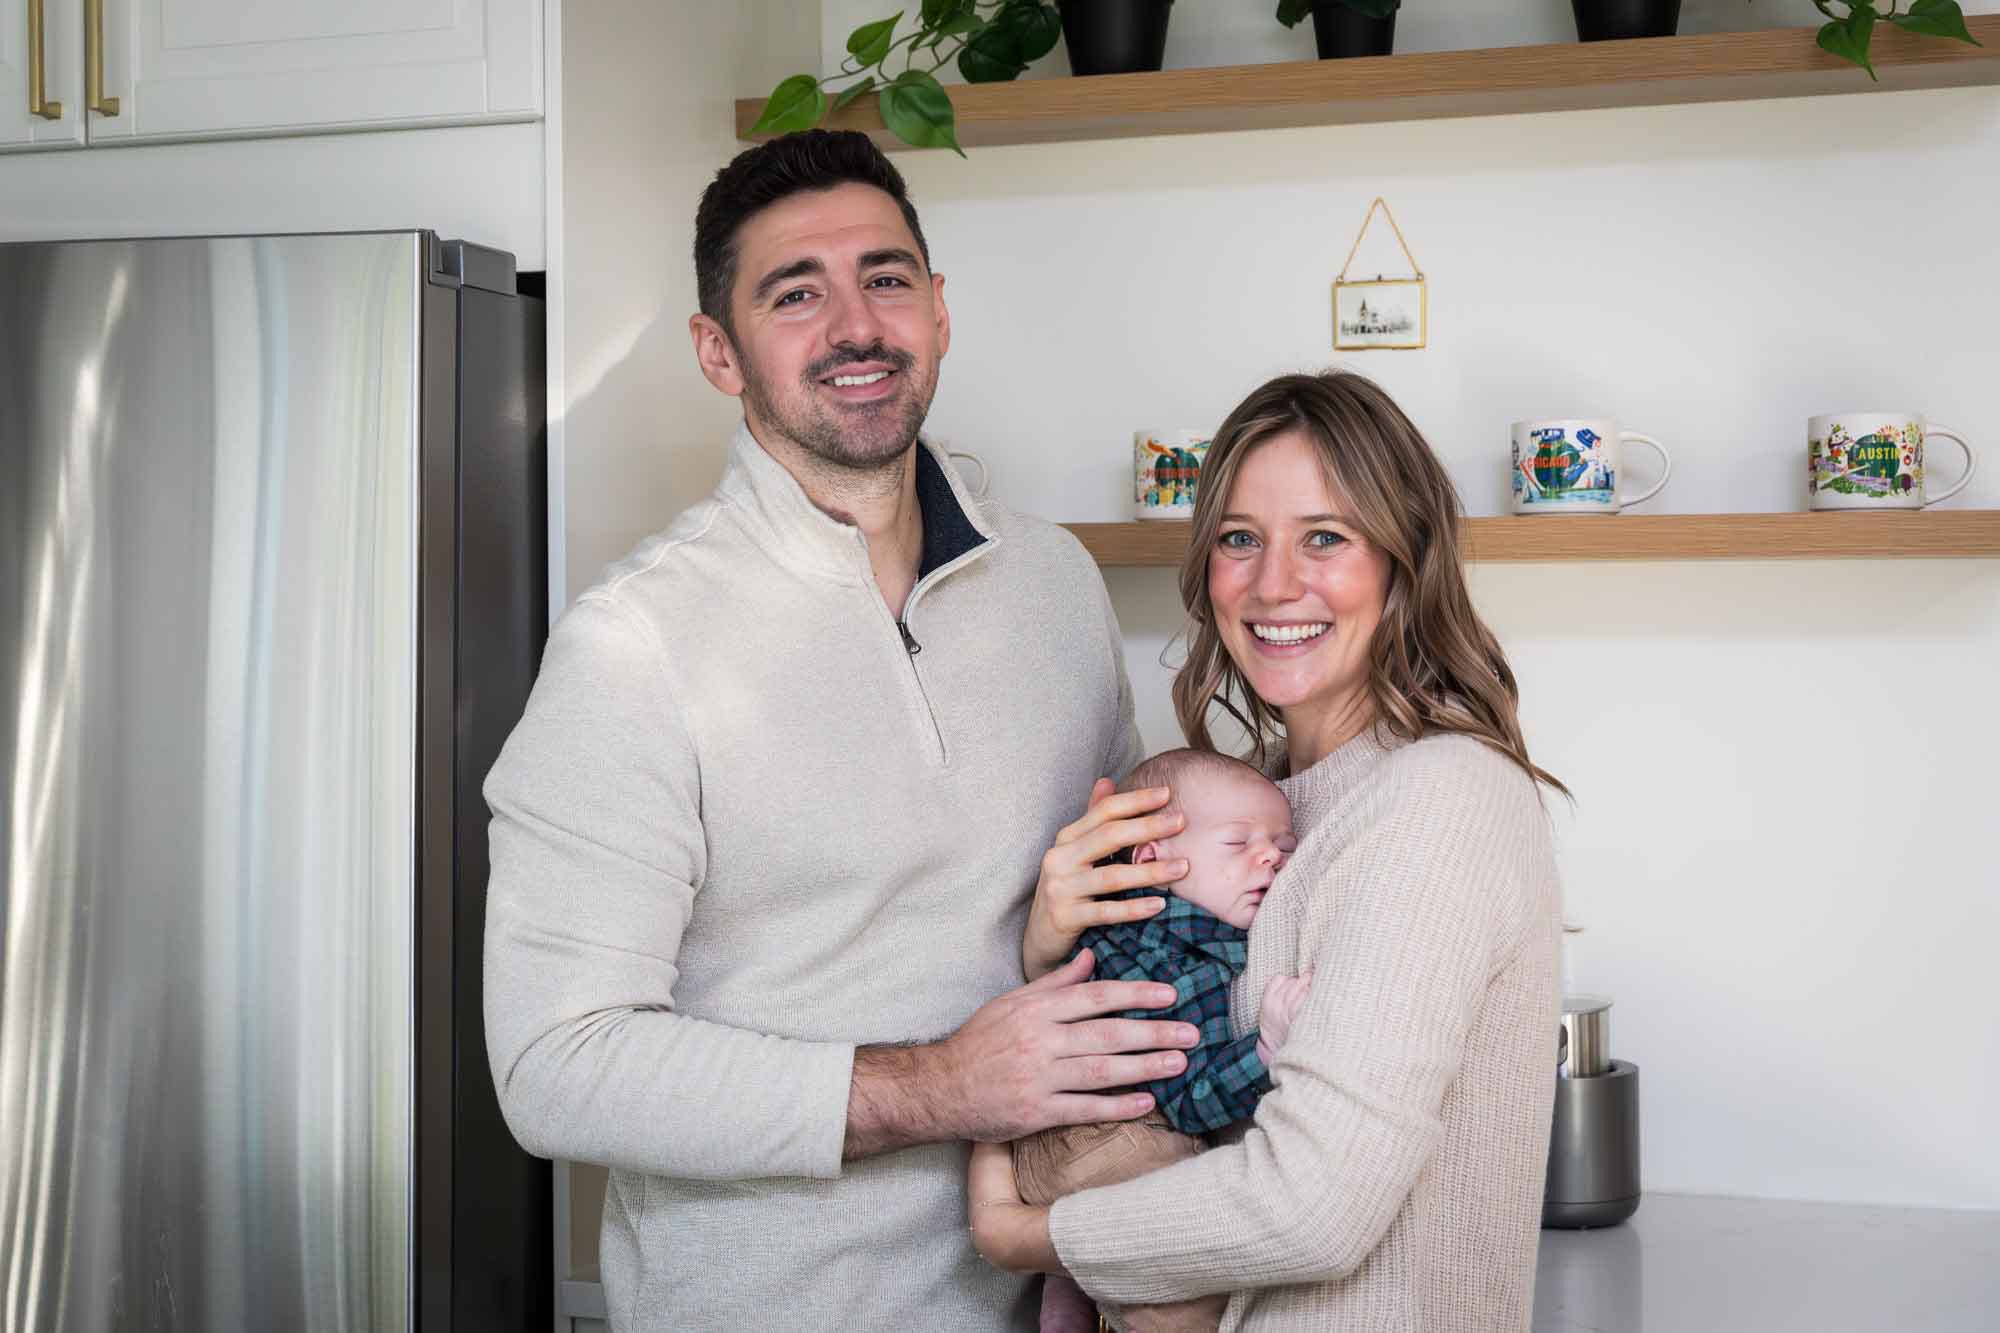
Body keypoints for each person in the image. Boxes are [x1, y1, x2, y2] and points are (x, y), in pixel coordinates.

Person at [481, 129, 1204, 1331]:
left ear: (937, 308)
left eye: (885, 277)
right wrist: (942, 1086)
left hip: (1065, 1293)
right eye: (794, 294)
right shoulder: (632, 647)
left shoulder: (1054, 583)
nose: (856, 325)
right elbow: (556, 1068)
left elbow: (1126, 913)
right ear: (719, 352)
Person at [971, 370, 1568, 1332]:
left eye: (1324, 538)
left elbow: (1314, 1207)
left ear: (1402, 560)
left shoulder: (1441, 795)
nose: (1274, 583)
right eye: (1240, 539)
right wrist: (1051, 945)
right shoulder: (1247, 798)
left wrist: (1025, 1234)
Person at [1011, 748, 1311, 1333]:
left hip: (1045, 1152)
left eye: (1285, 846)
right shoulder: (1181, 957)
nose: (1271, 855)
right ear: (1152, 858)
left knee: (1078, 1288)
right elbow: (1190, 1101)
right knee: (1187, 1305)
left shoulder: (1115, 927)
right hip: (1110, 1143)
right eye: (1236, 843)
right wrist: (1266, 1050)